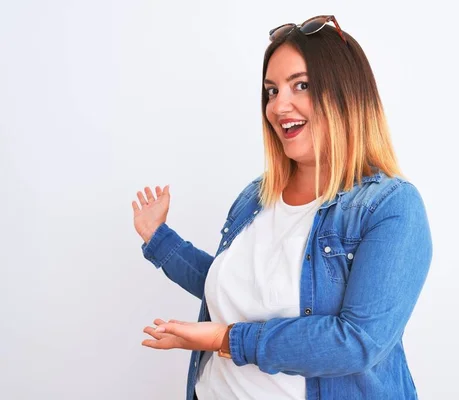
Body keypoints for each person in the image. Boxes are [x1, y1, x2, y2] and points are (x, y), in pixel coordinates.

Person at [132, 15, 433, 400]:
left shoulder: (389, 207)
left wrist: (227, 339)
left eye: (301, 86)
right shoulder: (255, 198)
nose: (278, 106)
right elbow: (235, 291)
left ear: (347, 95)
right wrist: (159, 240)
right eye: (271, 91)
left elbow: (358, 341)